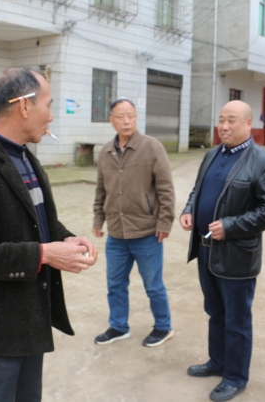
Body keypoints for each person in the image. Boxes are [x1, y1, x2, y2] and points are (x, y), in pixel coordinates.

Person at [0, 68, 97, 402]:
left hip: (31, 315)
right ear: (24, 106)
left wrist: (66, 239)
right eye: (48, 104)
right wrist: (45, 254)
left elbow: (38, 222)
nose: (51, 116)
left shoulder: (26, 158)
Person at [180, 100, 265, 401]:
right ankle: (218, 361)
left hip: (237, 256)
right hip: (205, 250)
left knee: (236, 321)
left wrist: (231, 225)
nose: (224, 126)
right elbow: (198, 190)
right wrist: (189, 209)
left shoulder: (263, 161)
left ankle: (236, 377)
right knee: (215, 312)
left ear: (248, 123)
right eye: (221, 120)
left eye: (232, 120)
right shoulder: (212, 154)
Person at [92, 98, 176, 347]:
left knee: (153, 285)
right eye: (120, 116)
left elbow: (166, 189)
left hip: (147, 232)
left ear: (136, 118)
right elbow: (101, 190)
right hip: (116, 234)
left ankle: (163, 327)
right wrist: (98, 218)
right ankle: (118, 326)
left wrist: (165, 223)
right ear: (111, 120)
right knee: (115, 284)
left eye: (130, 115)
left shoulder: (152, 147)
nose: (126, 121)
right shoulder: (105, 152)